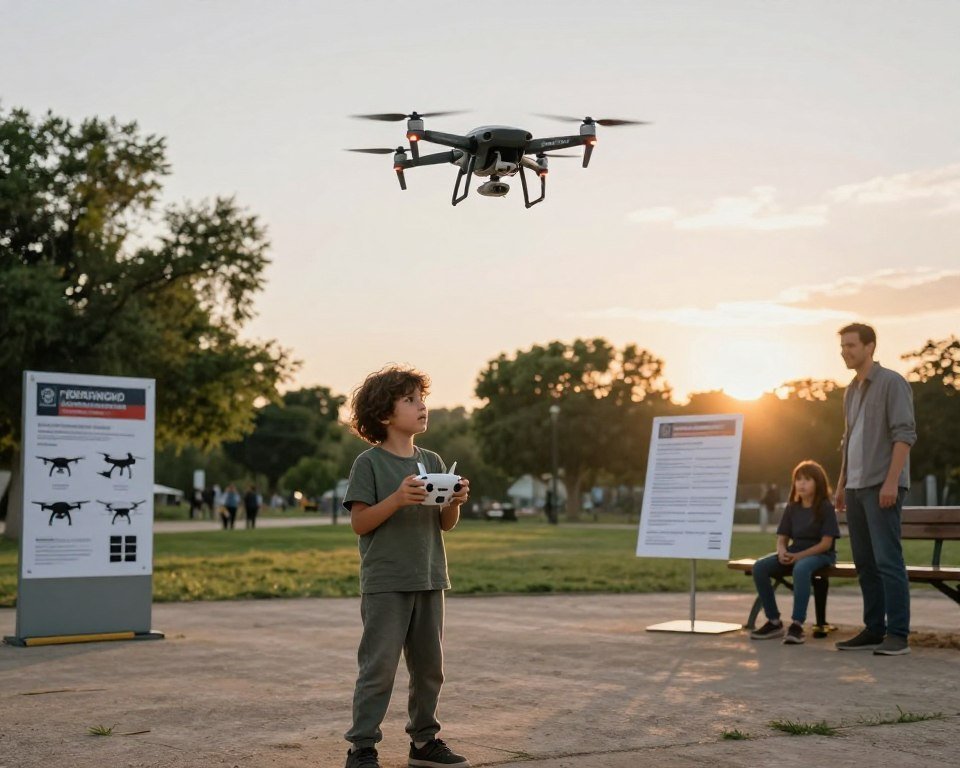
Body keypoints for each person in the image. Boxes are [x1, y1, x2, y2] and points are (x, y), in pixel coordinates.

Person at [341, 366, 471, 768]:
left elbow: (444, 525)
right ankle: (362, 747)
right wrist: (397, 499)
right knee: (378, 668)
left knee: (430, 668)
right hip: (386, 582)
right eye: (410, 400)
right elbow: (360, 523)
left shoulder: (431, 460)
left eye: (422, 399)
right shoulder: (370, 463)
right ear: (384, 414)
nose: (422, 406)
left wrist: (454, 501)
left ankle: (424, 742)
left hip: (430, 577)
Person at [835, 322, 917, 656]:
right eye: (842, 346)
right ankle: (873, 629)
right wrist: (841, 485)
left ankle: (898, 635)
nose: (845, 351)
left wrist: (890, 481)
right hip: (854, 487)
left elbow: (904, 435)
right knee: (865, 563)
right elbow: (848, 441)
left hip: (880, 485)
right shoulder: (851, 390)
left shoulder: (892, 383)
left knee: (888, 561)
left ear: (870, 347)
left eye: (851, 345)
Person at [749, 461, 841, 645]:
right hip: (794, 553)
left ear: (818, 483)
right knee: (759, 567)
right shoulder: (792, 507)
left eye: (807, 480)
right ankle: (774, 621)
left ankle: (797, 625)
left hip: (821, 555)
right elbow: (782, 538)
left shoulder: (825, 507)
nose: (801, 484)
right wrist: (782, 551)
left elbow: (826, 544)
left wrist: (799, 556)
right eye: (798, 479)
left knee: (800, 568)